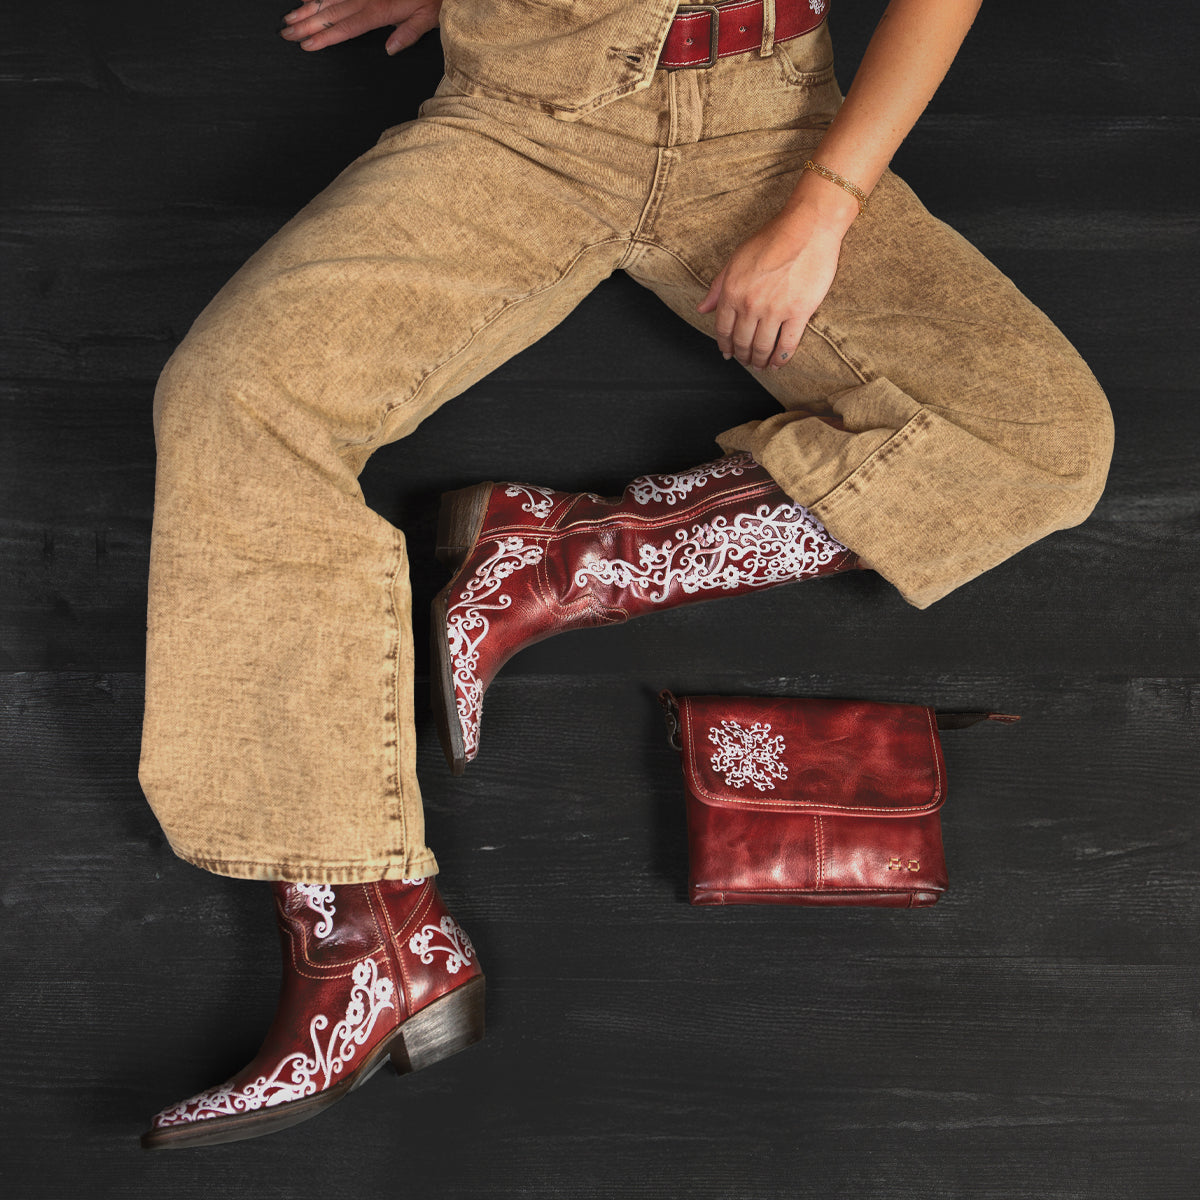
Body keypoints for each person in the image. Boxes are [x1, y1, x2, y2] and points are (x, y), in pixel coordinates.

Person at [137, 0, 1113, 1148]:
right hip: (525, 114)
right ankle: (372, 946)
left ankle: (557, 561)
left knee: (1041, 435)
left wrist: (827, 200)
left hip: (773, 124)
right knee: (231, 401)